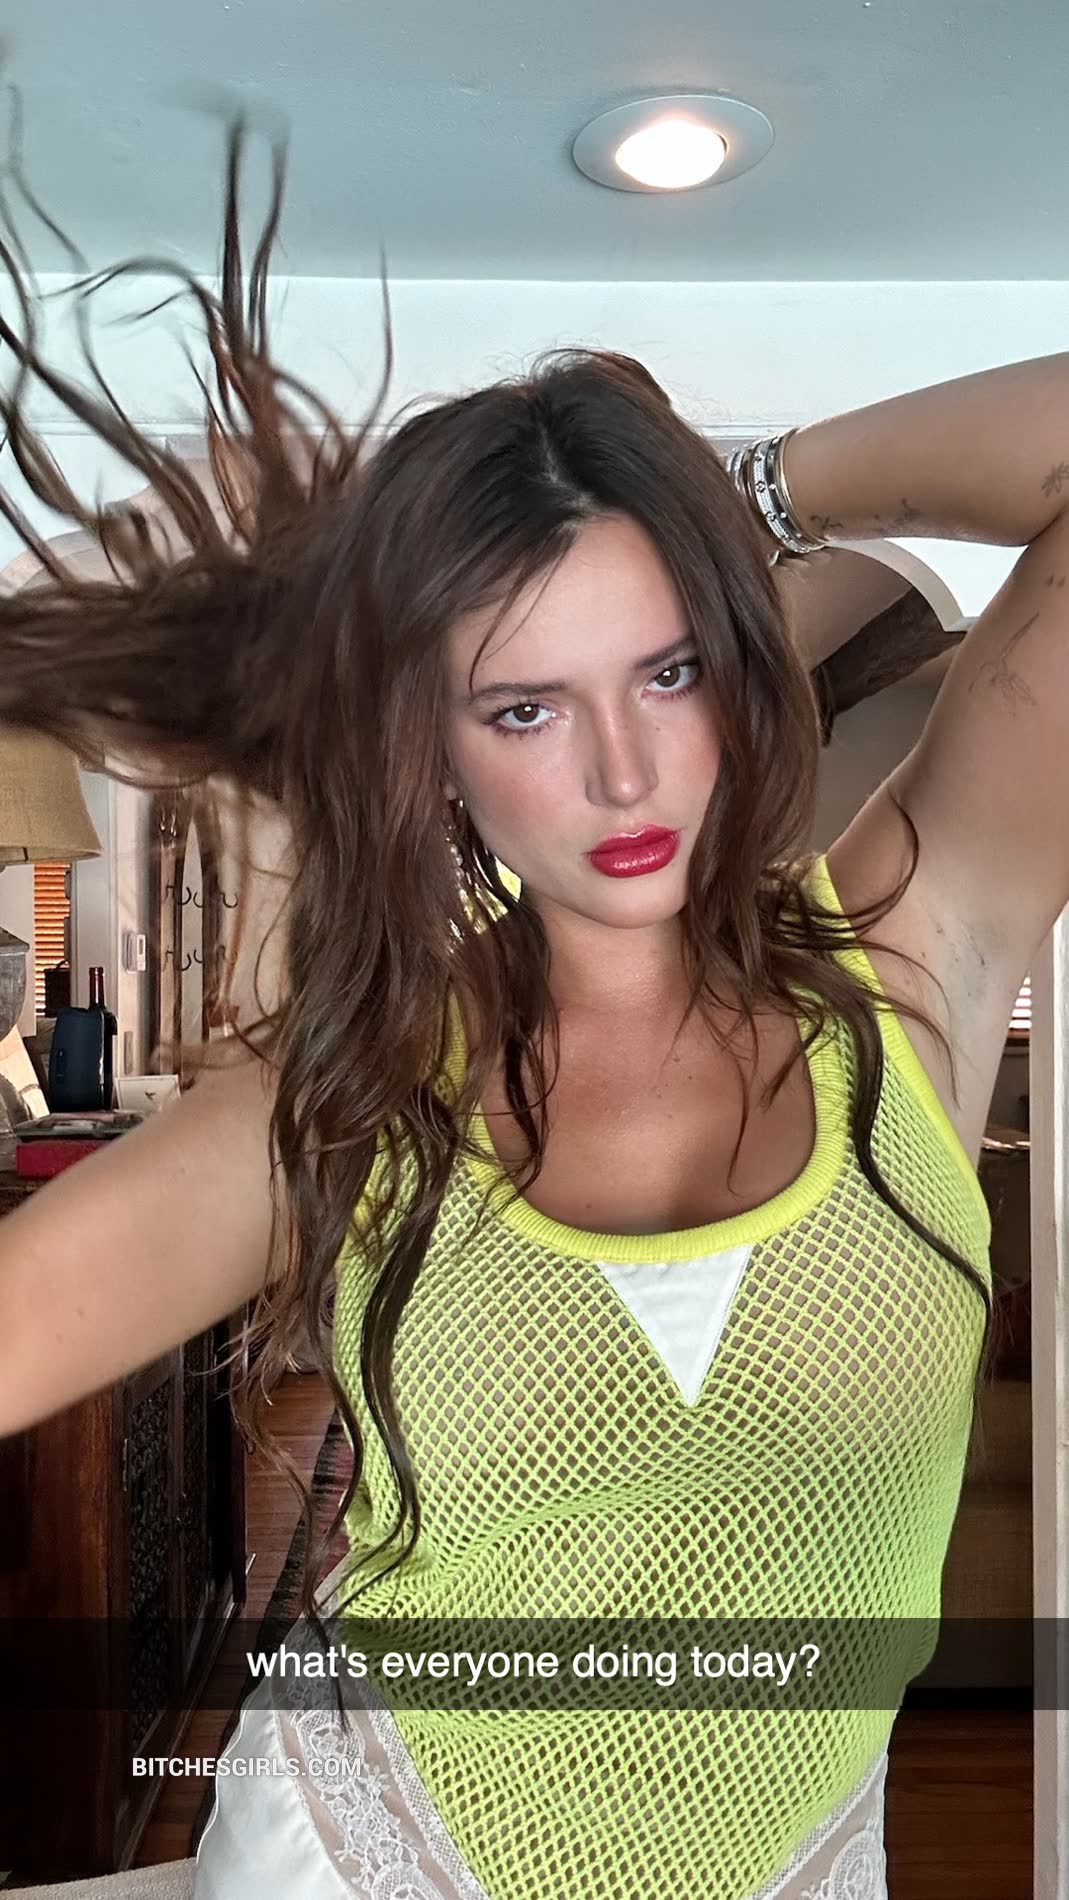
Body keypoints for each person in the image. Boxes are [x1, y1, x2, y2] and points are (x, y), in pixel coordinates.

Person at [0, 122, 1065, 1899]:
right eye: (524, 707)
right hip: (374, 1861)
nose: (625, 771)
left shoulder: (909, 957)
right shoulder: (349, 1091)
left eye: (668, 668)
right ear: (430, 751)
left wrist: (750, 490)